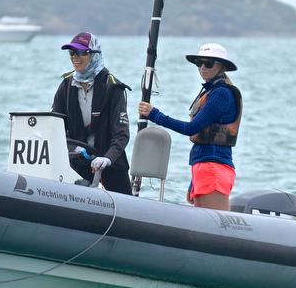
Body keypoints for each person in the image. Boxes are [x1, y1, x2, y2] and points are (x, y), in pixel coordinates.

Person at [138, 43, 242, 211]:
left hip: (214, 167)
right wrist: (194, 181)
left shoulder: (221, 93)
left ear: (221, 66)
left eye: (208, 63)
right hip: (203, 165)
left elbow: (191, 128)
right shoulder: (211, 90)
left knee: (214, 227)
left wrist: (155, 115)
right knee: (203, 224)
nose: (202, 67)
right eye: (199, 63)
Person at [51, 32, 132, 195]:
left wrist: (107, 158)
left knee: (126, 204)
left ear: (94, 55)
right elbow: (54, 127)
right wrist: (74, 148)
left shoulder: (112, 87)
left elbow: (121, 135)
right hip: (79, 162)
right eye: (72, 53)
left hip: (112, 162)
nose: (76, 57)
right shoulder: (66, 85)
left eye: (82, 52)